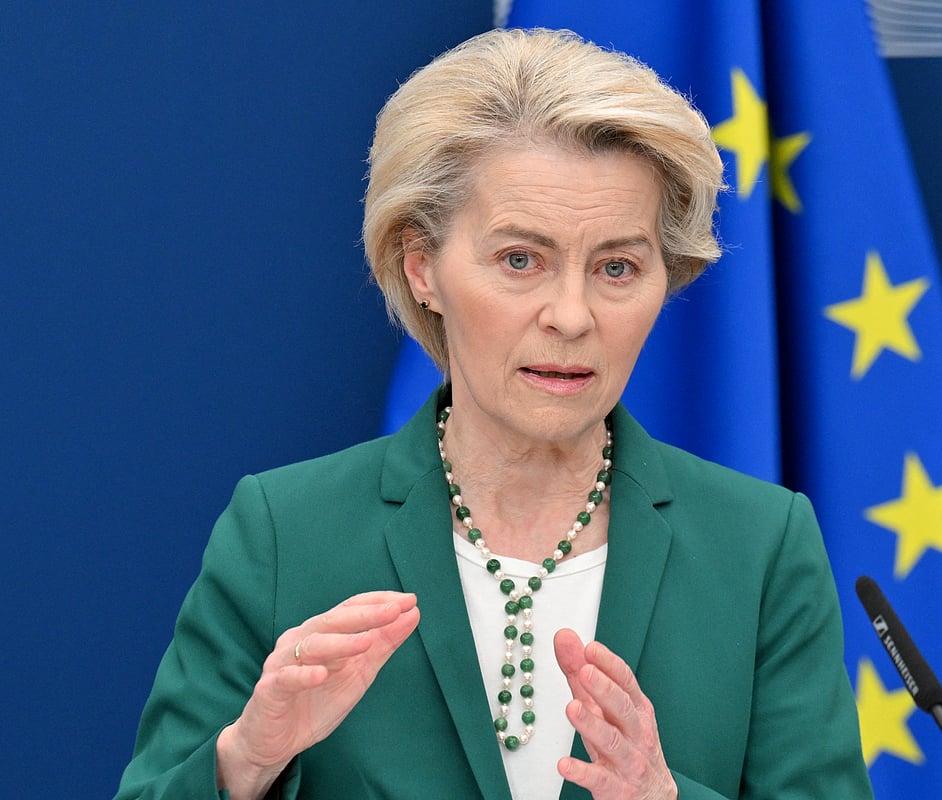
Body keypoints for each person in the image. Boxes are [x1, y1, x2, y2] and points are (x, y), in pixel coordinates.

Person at [115, 27, 873, 800]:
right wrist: (246, 759)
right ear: (423, 270)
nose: (572, 316)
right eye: (521, 260)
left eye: (617, 267)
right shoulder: (284, 531)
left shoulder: (759, 546)